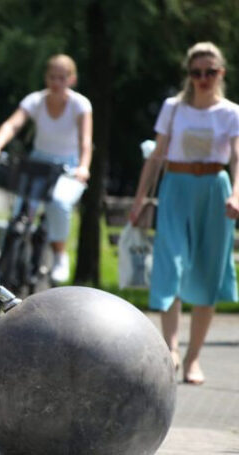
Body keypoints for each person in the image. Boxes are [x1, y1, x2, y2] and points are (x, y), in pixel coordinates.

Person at [130, 42, 239, 386]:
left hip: (214, 189)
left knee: (208, 271)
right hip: (175, 187)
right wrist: (140, 199)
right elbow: (157, 155)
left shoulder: (231, 112)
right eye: (197, 73)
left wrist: (237, 193)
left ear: (221, 73)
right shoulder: (173, 108)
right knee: (170, 263)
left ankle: (193, 358)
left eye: (210, 72)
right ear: (189, 75)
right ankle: (171, 349)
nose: (203, 79)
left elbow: (237, 156)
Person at [0, 54, 93, 283]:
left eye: (62, 78)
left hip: (68, 166)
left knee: (59, 203)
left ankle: (60, 254)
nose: (56, 83)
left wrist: (83, 167)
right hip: (38, 163)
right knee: (19, 213)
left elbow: (85, 140)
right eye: (52, 77)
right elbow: (13, 124)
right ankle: (2, 268)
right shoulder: (35, 101)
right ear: (46, 78)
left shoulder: (80, 105)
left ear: (71, 80)